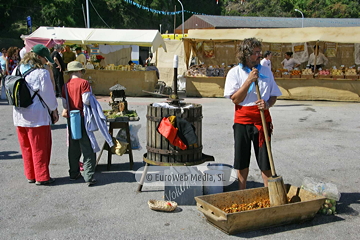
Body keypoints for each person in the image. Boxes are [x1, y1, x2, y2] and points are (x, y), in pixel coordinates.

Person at [224, 38, 282, 190]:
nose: (259, 55)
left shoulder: (266, 71)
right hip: (242, 120)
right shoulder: (234, 73)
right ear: (246, 54)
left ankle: (270, 193)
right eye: (256, 53)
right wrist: (249, 80)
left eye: (259, 52)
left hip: (262, 120)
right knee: (242, 160)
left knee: (265, 160)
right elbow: (235, 99)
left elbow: (274, 94)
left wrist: (267, 103)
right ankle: (242, 191)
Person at [12, 47, 59, 185]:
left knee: (26, 148)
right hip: (37, 116)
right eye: (45, 59)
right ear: (40, 57)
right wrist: (54, 110)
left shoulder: (17, 69)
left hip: (19, 114)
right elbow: (48, 95)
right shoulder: (42, 73)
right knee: (40, 147)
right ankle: (42, 176)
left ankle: (30, 175)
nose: (46, 62)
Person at [61, 61, 113, 186]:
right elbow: (86, 100)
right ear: (79, 71)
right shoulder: (84, 83)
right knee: (88, 148)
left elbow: (64, 105)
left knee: (73, 148)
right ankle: (88, 176)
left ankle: (73, 173)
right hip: (83, 118)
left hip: (71, 118)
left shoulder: (65, 86)